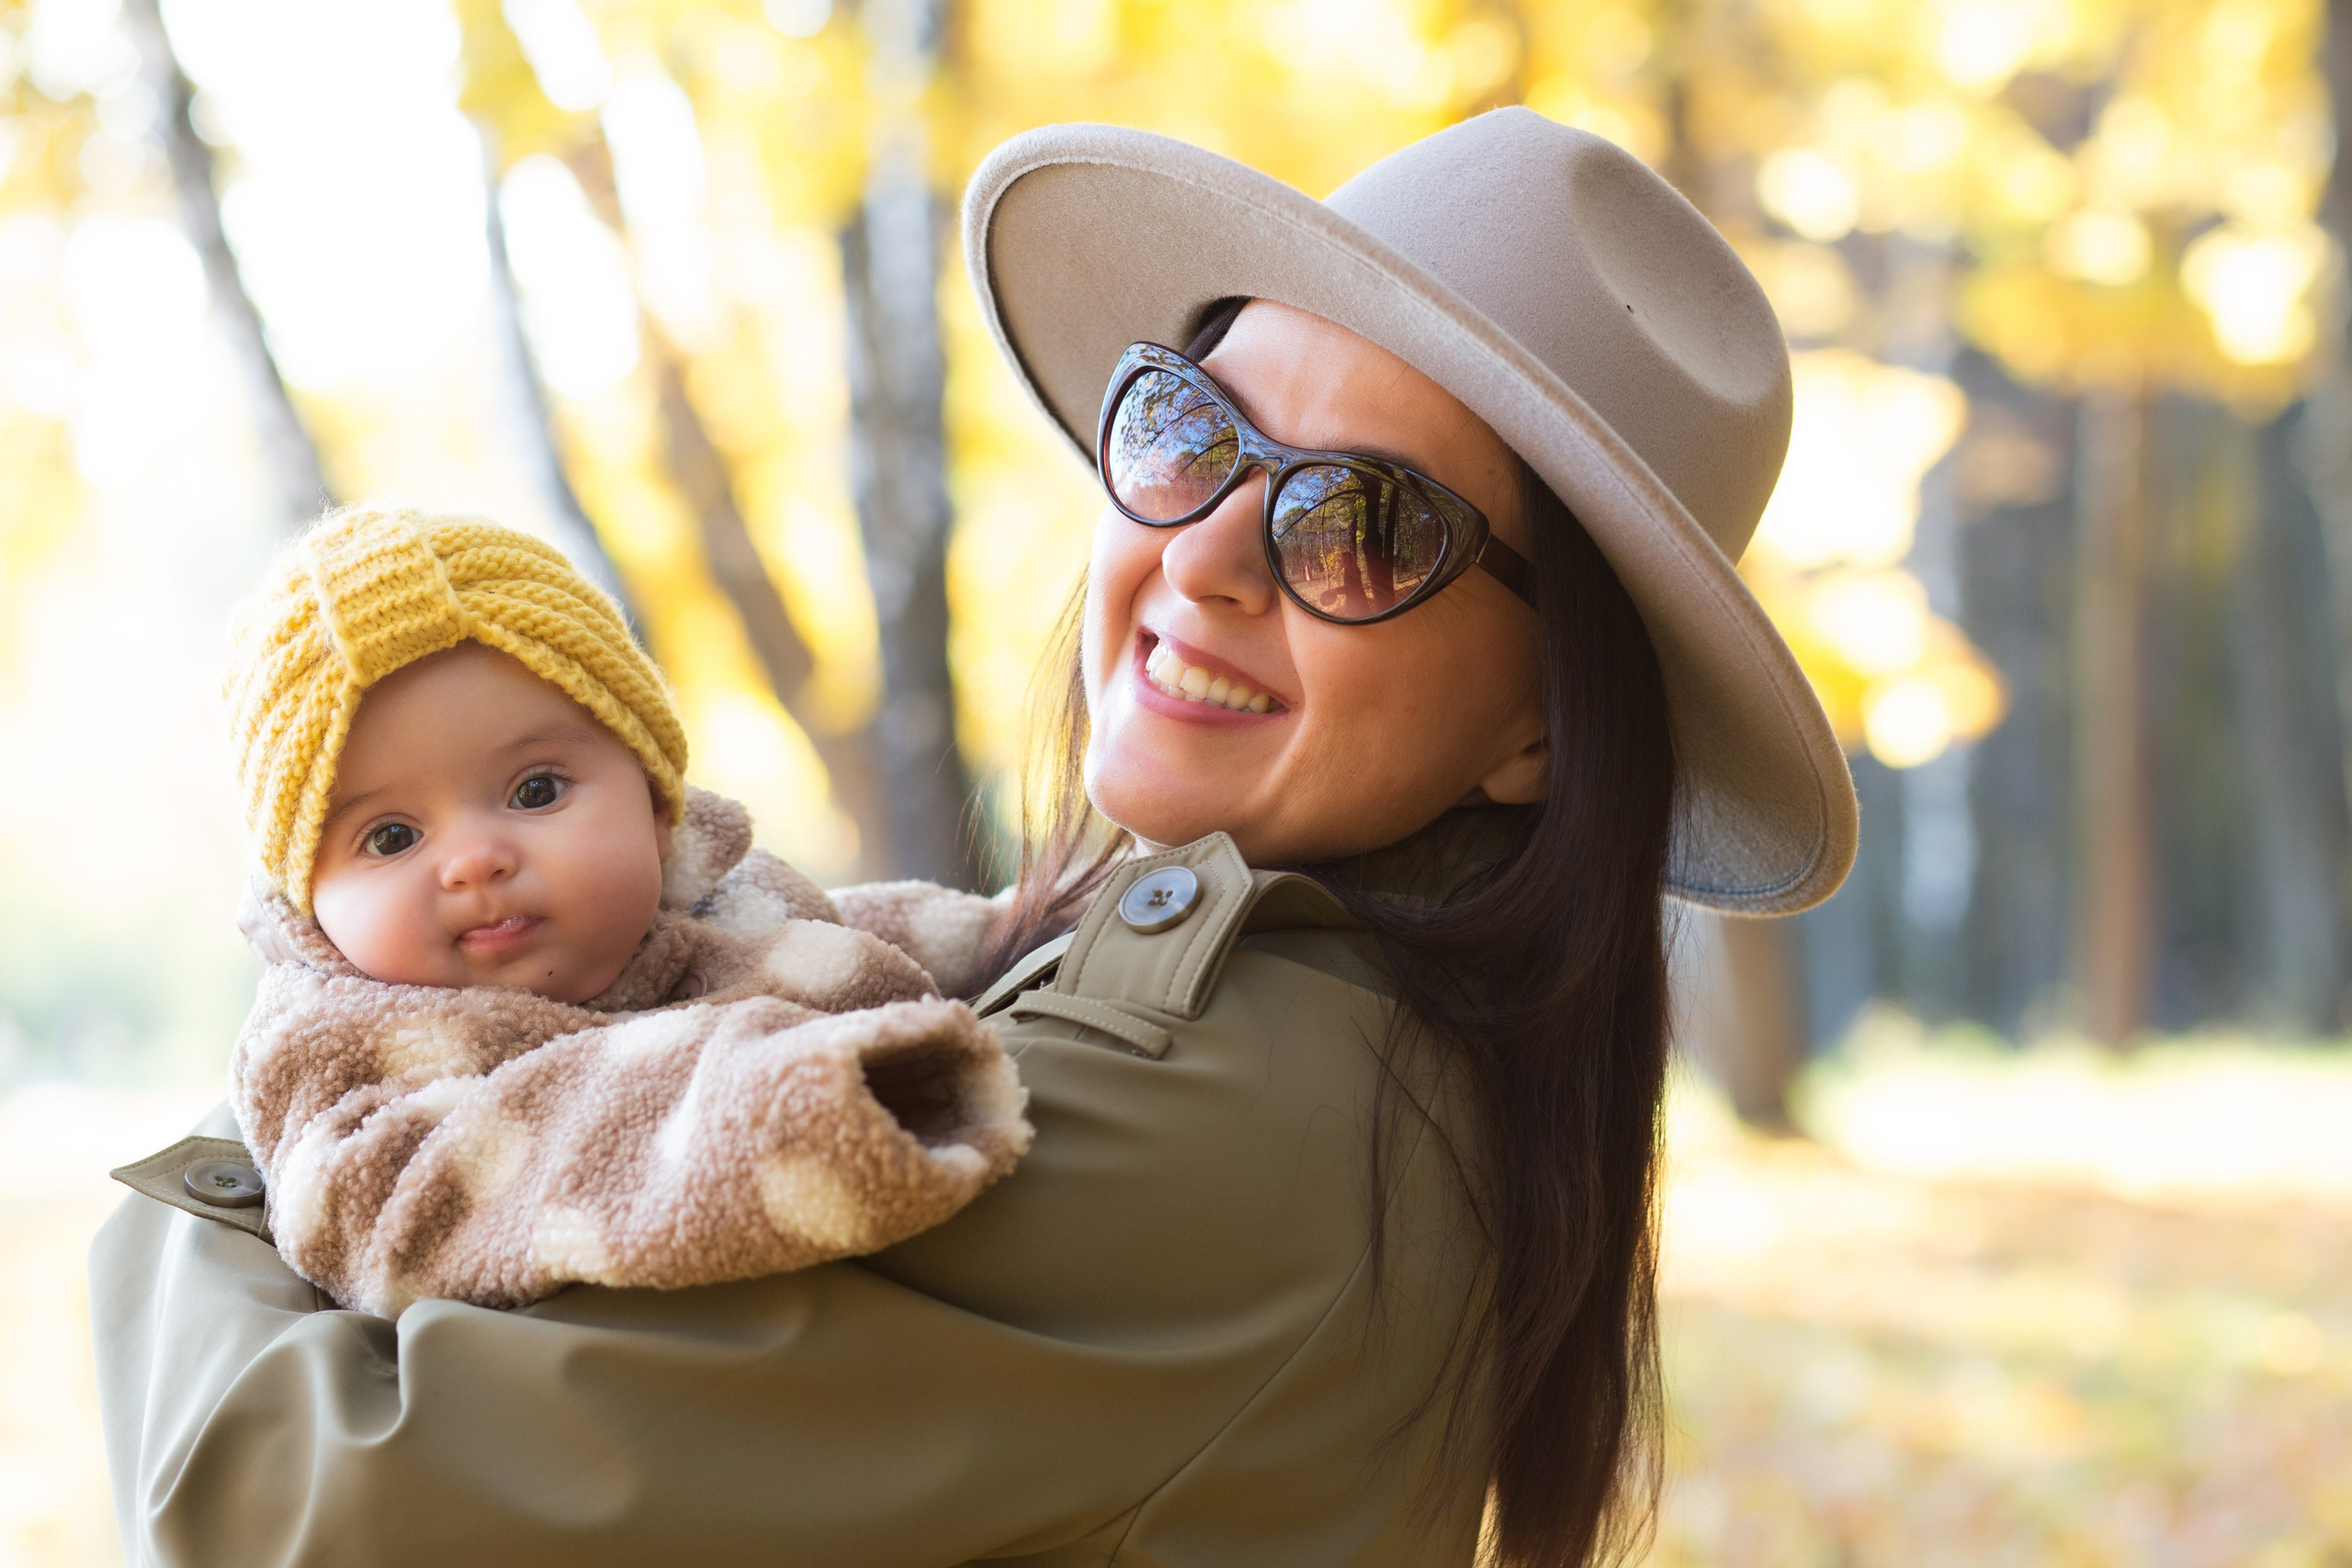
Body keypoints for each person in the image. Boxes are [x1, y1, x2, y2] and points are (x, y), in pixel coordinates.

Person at [89, 108, 1856, 1568]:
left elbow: (327, 1499)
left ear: (1545, 724)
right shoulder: (1310, 1036)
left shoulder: (1233, 1105)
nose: (1213, 552)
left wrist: (265, 1125)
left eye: (1368, 526)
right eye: (1192, 426)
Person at [182, 503, 1028, 1320]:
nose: (475, 858)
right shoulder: (331, 1046)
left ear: (658, 807)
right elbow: (392, 1208)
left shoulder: (725, 896)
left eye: (535, 789)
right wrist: (748, 1107)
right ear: (312, 907)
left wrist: (1026, 928)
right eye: (393, 835)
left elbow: (845, 934)